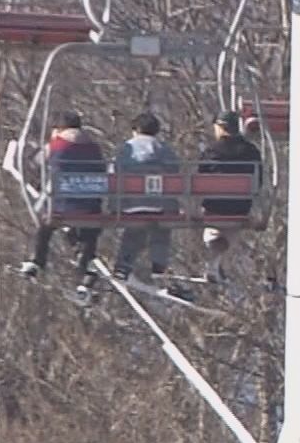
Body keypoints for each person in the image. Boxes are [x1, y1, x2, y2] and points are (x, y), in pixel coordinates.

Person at [18, 111, 107, 302]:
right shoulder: (94, 148)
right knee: (89, 230)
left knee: (46, 227)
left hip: (62, 207)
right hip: (90, 208)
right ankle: (85, 268)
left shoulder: (57, 145)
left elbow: (35, 162)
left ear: (59, 128)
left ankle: (37, 261)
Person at [111, 112, 190, 301]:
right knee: (161, 229)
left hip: (131, 204)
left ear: (135, 130)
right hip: (159, 205)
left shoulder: (127, 149)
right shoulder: (163, 149)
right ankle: (158, 266)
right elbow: (175, 173)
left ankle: (123, 265)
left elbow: (114, 173)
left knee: (134, 231)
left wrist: (114, 205)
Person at [196, 110, 261, 284]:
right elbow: (258, 180)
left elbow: (200, 179)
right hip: (240, 206)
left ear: (221, 127)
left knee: (212, 233)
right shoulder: (251, 151)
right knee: (230, 232)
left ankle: (214, 262)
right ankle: (217, 265)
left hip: (214, 206)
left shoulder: (211, 151)